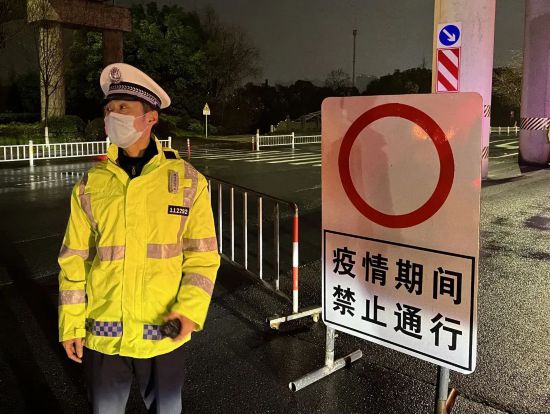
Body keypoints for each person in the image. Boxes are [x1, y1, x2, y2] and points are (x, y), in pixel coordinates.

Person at [57, 62, 220, 413]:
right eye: (109, 109)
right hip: (104, 337)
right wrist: (70, 324)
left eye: (123, 108)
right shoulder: (90, 184)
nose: (112, 116)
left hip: (163, 334)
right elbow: (73, 261)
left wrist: (189, 311)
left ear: (151, 117)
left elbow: (203, 259)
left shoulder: (188, 182)